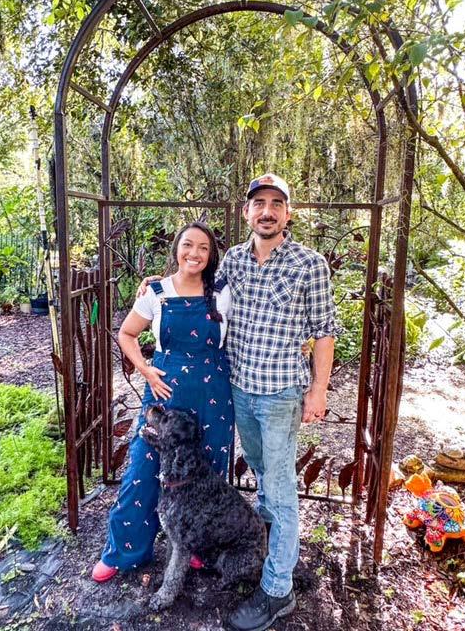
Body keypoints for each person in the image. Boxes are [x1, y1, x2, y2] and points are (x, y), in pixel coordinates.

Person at [220, 173, 336, 631]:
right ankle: (273, 542)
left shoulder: (309, 264)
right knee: (261, 469)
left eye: (275, 204)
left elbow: (324, 332)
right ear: (246, 211)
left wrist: (318, 390)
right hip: (240, 388)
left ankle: (277, 590)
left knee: (282, 489)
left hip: (282, 393)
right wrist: (155, 285)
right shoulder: (232, 259)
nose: (266, 211)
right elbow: (197, 289)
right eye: (259, 203)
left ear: (288, 213)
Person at [91, 221, 233, 582]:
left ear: (211, 255)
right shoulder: (156, 291)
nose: (194, 253)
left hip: (213, 395)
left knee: (207, 475)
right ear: (176, 249)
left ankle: (199, 550)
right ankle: (124, 551)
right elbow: (126, 333)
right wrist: (145, 370)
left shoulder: (224, 291)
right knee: (142, 468)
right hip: (165, 392)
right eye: (188, 245)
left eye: (203, 247)